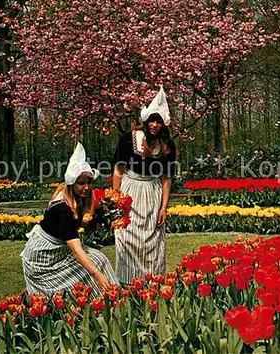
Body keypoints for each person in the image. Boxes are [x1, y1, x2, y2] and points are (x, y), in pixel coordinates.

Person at [21, 143, 118, 298]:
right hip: (43, 260)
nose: (86, 187)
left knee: (99, 258)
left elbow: (80, 222)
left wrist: (99, 219)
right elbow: (77, 250)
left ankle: (111, 296)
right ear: (72, 184)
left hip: (58, 251)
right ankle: (108, 297)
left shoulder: (77, 200)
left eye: (89, 182)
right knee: (95, 264)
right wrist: (97, 275)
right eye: (81, 183)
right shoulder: (62, 209)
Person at [112, 86, 177, 284]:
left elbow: (166, 179)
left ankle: (152, 281)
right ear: (146, 120)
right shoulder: (128, 139)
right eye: (152, 120)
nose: (155, 125)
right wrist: (116, 199)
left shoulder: (168, 145)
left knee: (152, 239)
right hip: (130, 190)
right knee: (128, 235)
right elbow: (118, 171)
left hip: (153, 192)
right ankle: (127, 282)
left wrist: (164, 207)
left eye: (158, 121)